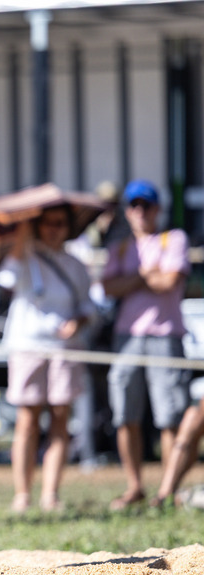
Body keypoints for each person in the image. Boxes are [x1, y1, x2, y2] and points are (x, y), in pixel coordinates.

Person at [0, 206, 96, 513]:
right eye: (48, 223)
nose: (54, 228)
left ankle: (51, 494)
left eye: (60, 223)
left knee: (61, 417)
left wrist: (77, 322)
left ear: (69, 227)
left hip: (64, 348)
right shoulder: (24, 256)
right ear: (38, 226)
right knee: (27, 418)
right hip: (27, 344)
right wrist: (20, 241)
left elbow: (89, 307)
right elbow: (4, 279)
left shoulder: (76, 264)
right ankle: (22, 494)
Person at [101, 179, 191, 511]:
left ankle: (168, 489)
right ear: (128, 211)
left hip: (166, 335)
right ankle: (134, 486)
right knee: (125, 413)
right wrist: (144, 275)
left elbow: (169, 281)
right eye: (134, 205)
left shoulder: (174, 239)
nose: (141, 212)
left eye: (146, 205)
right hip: (128, 338)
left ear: (157, 209)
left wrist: (132, 280)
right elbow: (108, 287)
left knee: (170, 415)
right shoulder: (121, 247)